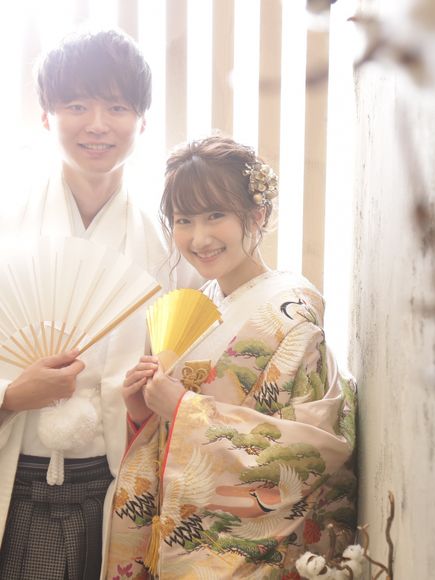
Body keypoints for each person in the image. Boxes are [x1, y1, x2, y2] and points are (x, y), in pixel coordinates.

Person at [107, 136, 357, 578]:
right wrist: (145, 413)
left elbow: (308, 448)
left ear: (257, 214)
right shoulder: (203, 303)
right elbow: (174, 428)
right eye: (184, 220)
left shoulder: (292, 315)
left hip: (245, 549)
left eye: (215, 215)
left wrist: (183, 410)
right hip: (183, 531)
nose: (198, 237)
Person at [0, 28, 197, 580]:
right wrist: (11, 395)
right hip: (17, 470)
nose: (97, 124)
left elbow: (188, 359)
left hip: (121, 478)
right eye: (76, 106)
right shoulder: (6, 220)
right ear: (46, 117)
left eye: (116, 107)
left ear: (142, 120)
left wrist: (147, 402)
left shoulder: (169, 240)